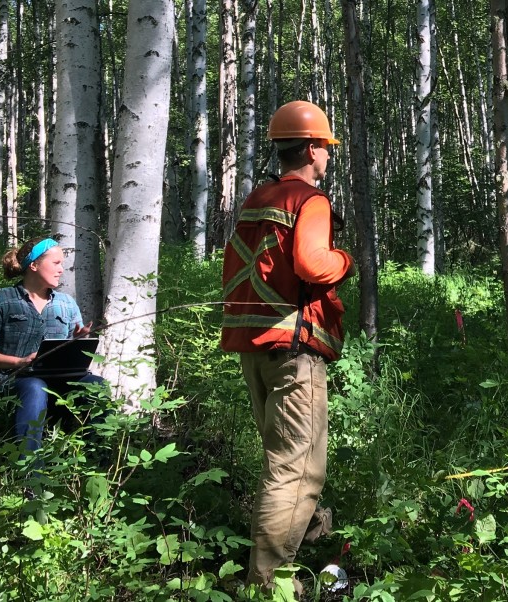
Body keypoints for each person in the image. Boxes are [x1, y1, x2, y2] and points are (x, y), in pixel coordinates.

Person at [220, 100, 355, 591]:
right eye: (327, 148)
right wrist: (345, 259)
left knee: (284, 461)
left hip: (253, 348)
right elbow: (313, 265)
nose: (328, 157)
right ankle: (269, 584)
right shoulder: (310, 200)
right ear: (314, 148)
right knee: (297, 471)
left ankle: (312, 540)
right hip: (293, 352)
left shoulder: (258, 198)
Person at [0, 237, 106, 455]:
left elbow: (68, 354)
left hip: (59, 382)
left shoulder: (66, 303)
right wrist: (19, 362)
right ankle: (30, 475)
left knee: (97, 386)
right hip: (11, 382)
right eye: (56, 263)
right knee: (34, 386)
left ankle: (100, 464)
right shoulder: (0, 300)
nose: (62, 269)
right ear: (33, 265)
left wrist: (78, 341)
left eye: (62, 263)